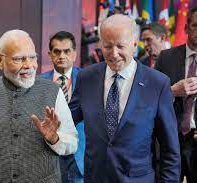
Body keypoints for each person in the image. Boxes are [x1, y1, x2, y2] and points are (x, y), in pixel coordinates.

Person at [0, 29, 78, 183]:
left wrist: (55, 139)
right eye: (19, 59)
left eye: (33, 57)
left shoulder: (53, 91)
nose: (29, 65)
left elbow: (72, 143)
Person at [69, 14, 181, 182]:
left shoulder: (157, 83)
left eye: (121, 46)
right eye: (108, 46)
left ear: (135, 43)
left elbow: (170, 148)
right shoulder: (86, 78)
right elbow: (68, 120)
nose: (114, 54)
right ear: (100, 44)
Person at [156, 7, 197, 183]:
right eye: (196, 25)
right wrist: (172, 91)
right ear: (186, 28)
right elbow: (148, 95)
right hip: (169, 138)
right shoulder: (166, 57)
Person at [41, 31, 84, 183]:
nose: (62, 56)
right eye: (57, 51)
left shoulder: (88, 79)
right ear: (50, 54)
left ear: (74, 54)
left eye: (67, 51)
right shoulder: (38, 83)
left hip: (80, 157)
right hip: (49, 156)